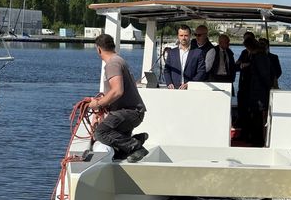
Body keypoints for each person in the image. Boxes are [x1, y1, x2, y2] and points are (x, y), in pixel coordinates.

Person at [88, 34, 149, 162]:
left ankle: (136, 147)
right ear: (113, 46)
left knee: (100, 133)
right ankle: (136, 140)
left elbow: (117, 91)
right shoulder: (119, 60)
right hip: (132, 113)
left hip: (129, 112)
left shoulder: (113, 64)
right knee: (120, 154)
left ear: (98, 49)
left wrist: (98, 104)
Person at [242, 37, 273, 147]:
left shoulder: (259, 57)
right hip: (257, 90)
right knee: (256, 115)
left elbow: (264, 75)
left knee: (258, 116)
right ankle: (256, 138)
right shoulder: (259, 56)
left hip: (259, 91)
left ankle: (258, 140)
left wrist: (269, 87)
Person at [164, 24, 206, 89]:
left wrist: (189, 84)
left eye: (186, 35)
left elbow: (201, 72)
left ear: (190, 36)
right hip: (174, 89)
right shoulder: (172, 52)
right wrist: (169, 83)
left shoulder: (198, 53)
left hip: (191, 90)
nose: (183, 38)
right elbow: (167, 70)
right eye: (181, 35)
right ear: (178, 36)